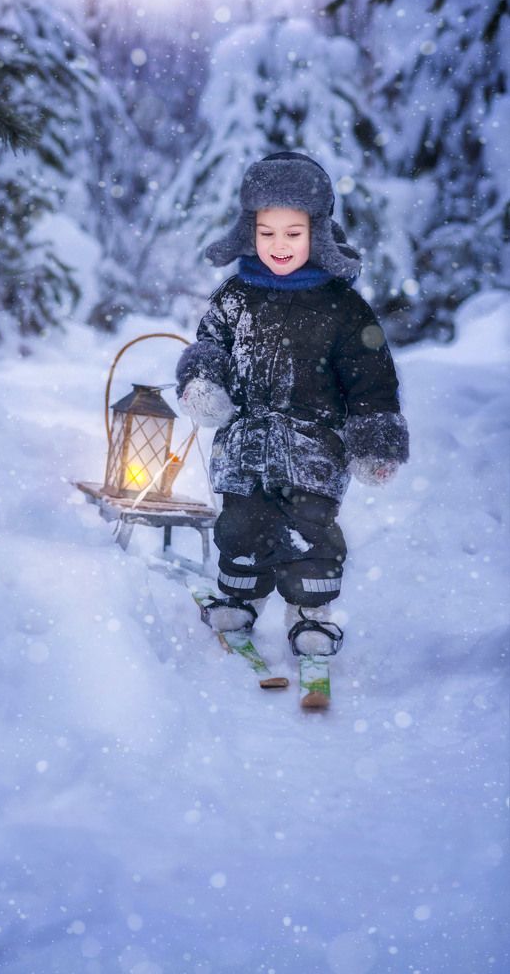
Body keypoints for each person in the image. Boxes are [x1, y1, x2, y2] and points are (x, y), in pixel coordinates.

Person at [175, 151, 409, 657]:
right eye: (267, 232)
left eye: (293, 233)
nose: (279, 245)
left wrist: (375, 438)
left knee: (310, 530)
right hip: (245, 443)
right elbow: (210, 347)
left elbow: (372, 379)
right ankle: (240, 596)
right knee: (241, 523)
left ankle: (311, 613)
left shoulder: (343, 307)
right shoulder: (234, 296)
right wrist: (202, 382)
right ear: (249, 231)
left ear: (317, 233)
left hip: (315, 446)